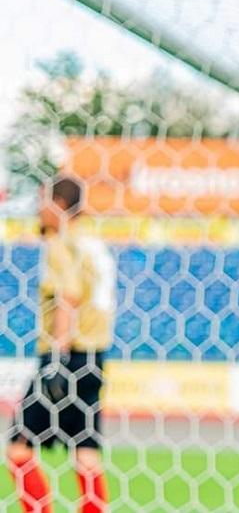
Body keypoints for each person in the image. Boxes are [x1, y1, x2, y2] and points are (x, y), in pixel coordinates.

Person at [5, 176, 115, 513]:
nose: (38, 209)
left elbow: (68, 296)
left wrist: (56, 356)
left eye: (43, 201)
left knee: (18, 449)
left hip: (64, 356)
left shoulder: (62, 242)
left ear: (60, 205)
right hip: (94, 356)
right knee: (86, 451)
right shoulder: (93, 243)